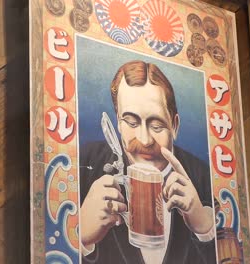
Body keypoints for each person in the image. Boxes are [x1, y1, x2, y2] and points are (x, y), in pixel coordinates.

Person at [79, 61, 216, 263]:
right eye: (131, 123)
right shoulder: (85, 162)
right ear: (117, 122)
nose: (144, 140)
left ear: (175, 125)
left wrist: (204, 228)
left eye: (157, 126)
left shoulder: (204, 176)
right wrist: (80, 235)